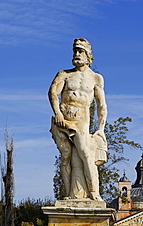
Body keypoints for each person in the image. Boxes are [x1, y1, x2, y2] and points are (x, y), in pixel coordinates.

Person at [48, 38, 107, 201]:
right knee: (66, 156)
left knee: (85, 154)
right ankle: (69, 194)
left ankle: (94, 192)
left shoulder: (96, 78)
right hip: (62, 119)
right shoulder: (64, 74)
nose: (76, 54)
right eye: (75, 51)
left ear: (88, 55)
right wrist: (57, 113)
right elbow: (53, 93)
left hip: (81, 119)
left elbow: (102, 105)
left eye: (80, 51)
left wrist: (101, 129)